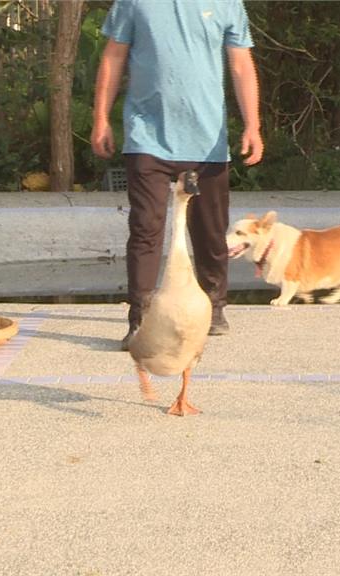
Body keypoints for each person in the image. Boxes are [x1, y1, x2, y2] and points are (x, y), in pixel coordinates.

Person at [91, 0, 263, 349]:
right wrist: (100, 119)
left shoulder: (227, 3)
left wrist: (253, 125)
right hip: (147, 137)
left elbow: (241, 64)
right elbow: (113, 56)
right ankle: (140, 318)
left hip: (206, 142)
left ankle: (213, 307)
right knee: (145, 230)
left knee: (210, 232)